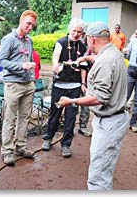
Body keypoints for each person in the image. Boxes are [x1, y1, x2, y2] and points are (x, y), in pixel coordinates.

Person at [56, 21, 129, 190]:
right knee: (104, 167)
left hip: (109, 121)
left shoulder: (104, 63)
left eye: (86, 37)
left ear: (92, 39)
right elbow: (102, 59)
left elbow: (99, 98)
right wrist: (86, 58)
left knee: (98, 176)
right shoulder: (115, 53)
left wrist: (71, 101)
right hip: (116, 118)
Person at [41, 18, 87, 157]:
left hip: (75, 86)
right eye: (74, 31)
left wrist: (84, 83)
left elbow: (84, 66)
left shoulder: (83, 47)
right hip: (59, 85)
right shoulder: (61, 42)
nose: (76, 34)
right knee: (55, 112)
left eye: (79, 32)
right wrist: (55, 65)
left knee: (71, 116)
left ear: (82, 33)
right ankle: (48, 138)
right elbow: (55, 55)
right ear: (70, 30)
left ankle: (66, 144)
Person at [0, 10, 38, 165]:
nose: (30, 27)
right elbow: (1, 62)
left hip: (28, 84)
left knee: (25, 117)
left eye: (32, 25)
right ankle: (7, 151)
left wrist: (31, 75)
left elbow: (28, 59)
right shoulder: (8, 39)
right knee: (9, 118)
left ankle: (21, 146)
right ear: (21, 21)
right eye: (28, 23)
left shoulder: (29, 40)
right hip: (13, 85)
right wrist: (22, 65)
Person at [78, 32, 92, 137]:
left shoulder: (91, 48)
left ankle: (83, 126)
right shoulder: (75, 45)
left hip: (87, 80)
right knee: (71, 105)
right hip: (74, 80)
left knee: (86, 105)